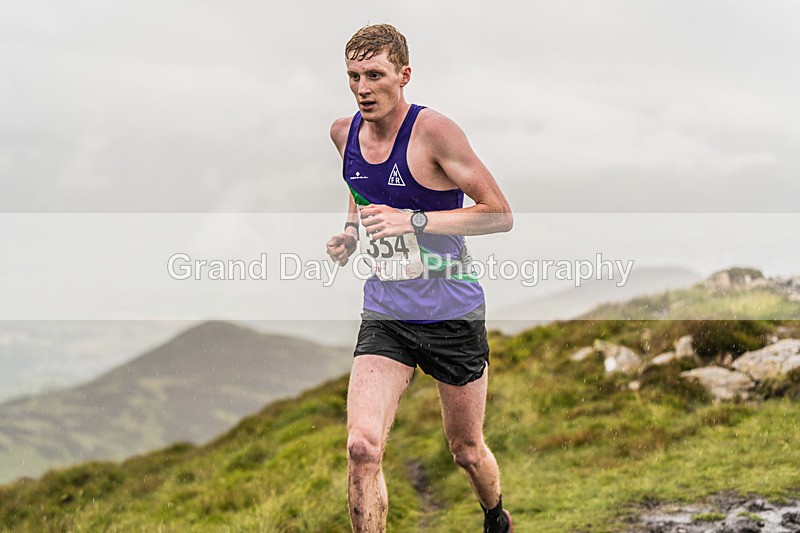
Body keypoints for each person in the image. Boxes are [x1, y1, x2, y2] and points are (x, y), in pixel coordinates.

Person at [325, 23, 514, 533]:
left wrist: (414, 220)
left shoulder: (435, 133)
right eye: (353, 76)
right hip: (388, 311)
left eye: (375, 75)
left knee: (466, 450)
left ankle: (496, 517)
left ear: (403, 75)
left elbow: (499, 214)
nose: (363, 88)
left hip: (451, 311)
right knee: (362, 447)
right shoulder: (344, 132)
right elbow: (357, 182)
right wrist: (349, 231)